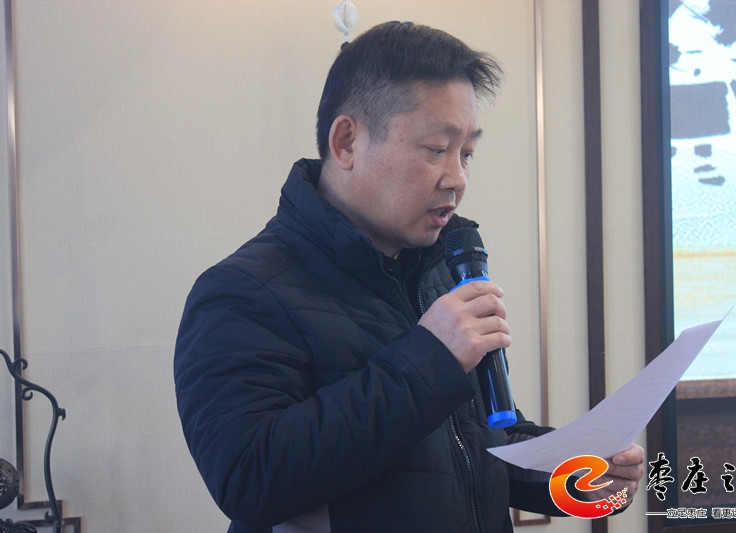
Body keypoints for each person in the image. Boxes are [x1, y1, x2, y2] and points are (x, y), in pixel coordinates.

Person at [174, 21, 644, 533]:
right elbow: (249, 478)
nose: (457, 178)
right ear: (347, 142)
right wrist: (430, 360)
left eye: (467, 154)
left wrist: (581, 477)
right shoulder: (240, 293)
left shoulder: (437, 275)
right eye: (436, 149)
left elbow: (476, 449)